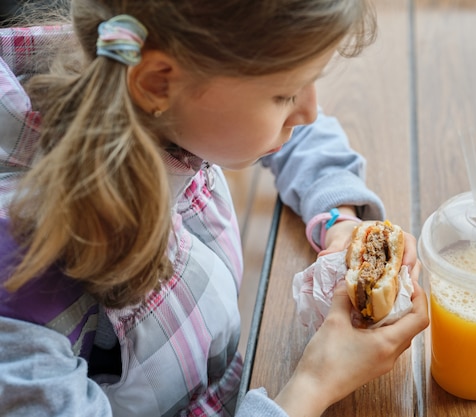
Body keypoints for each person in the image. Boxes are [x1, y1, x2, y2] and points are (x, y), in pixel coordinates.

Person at [0, 1, 429, 416]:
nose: (310, 111)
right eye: (286, 94)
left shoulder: (127, 68)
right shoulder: (20, 305)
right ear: (157, 84)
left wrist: (338, 218)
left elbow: (286, 131)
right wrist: (313, 386)